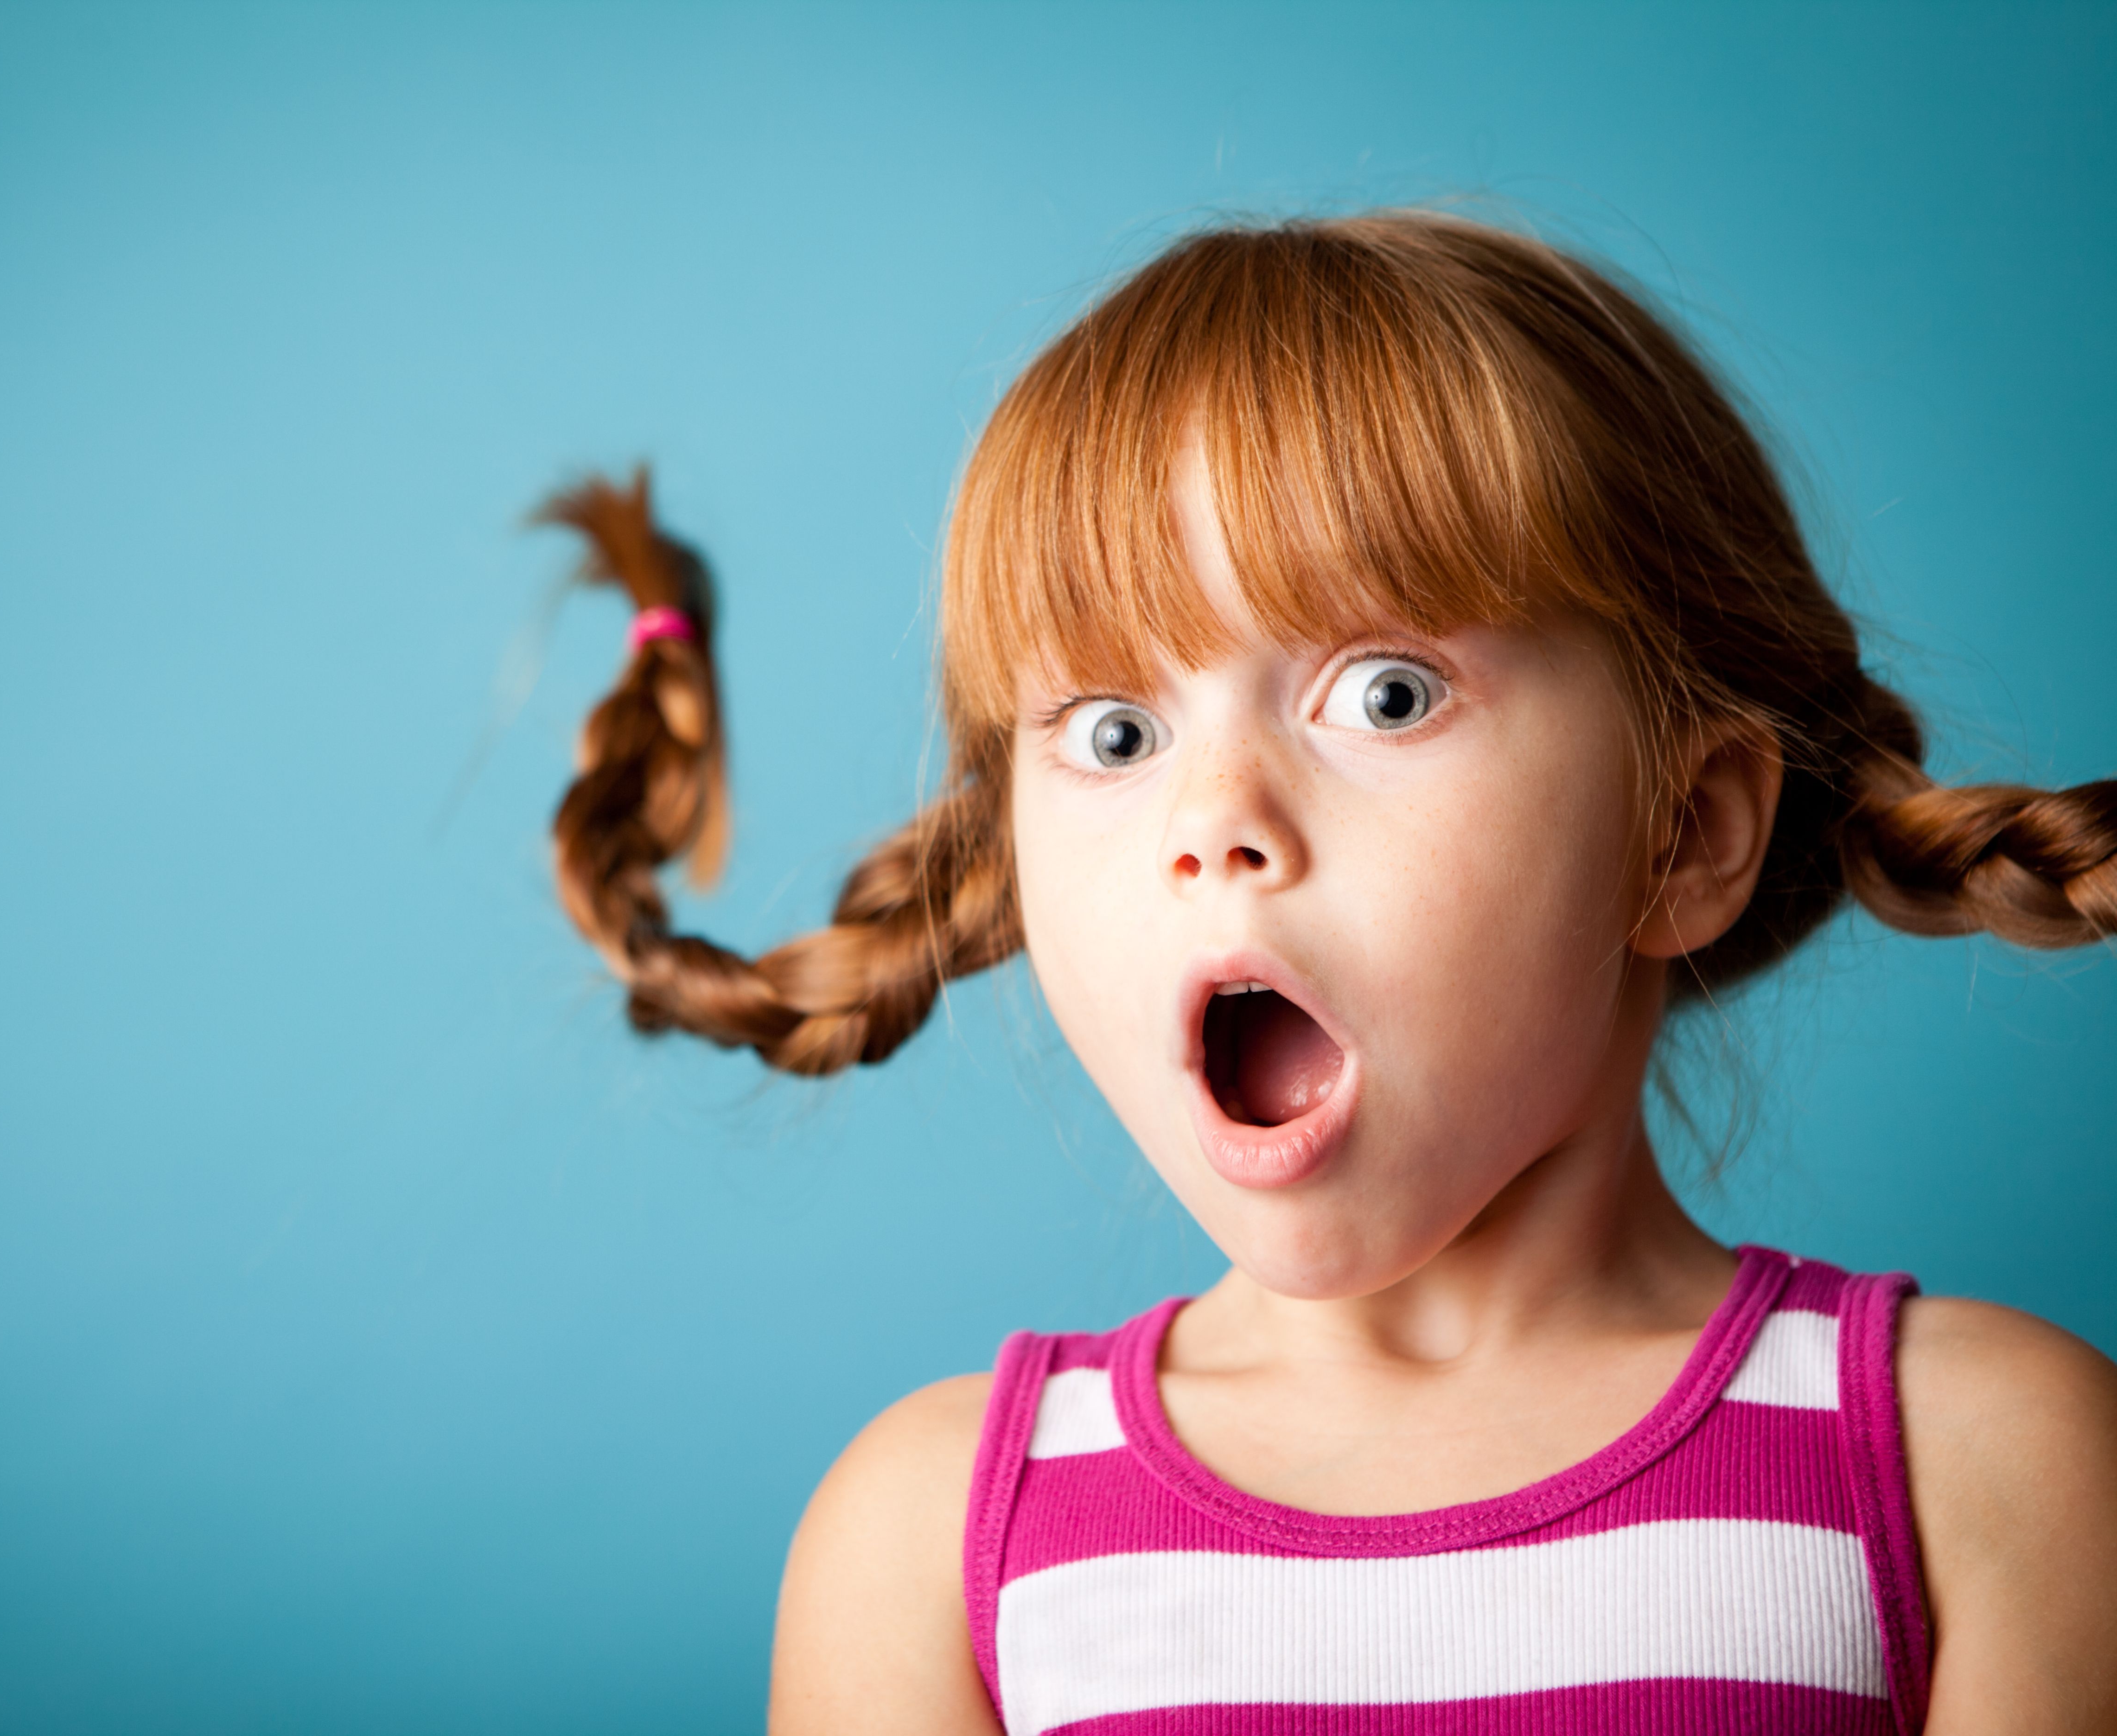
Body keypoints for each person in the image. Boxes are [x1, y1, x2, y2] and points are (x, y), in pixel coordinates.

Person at [536, 212, 2117, 1734]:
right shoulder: (935, 1554)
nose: (1217, 822)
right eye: (1116, 736)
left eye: (1386, 694)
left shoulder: (1973, 1470)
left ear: (1681, 831)